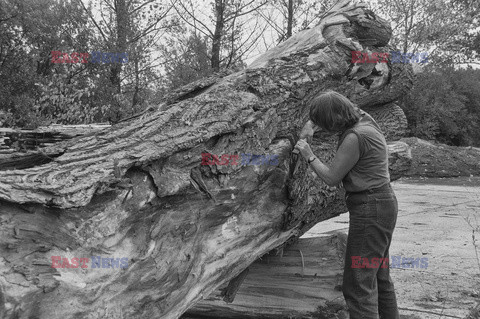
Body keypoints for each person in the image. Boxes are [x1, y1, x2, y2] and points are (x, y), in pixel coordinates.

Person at [294, 90, 400, 319]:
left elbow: (332, 178)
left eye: (325, 124)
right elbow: (337, 106)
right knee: (380, 278)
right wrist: (310, 125)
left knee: (357, 285)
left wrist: (309, 155)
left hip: (370, 208)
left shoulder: (355, 138)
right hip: (384, 204)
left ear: (334, 120)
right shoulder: (365, 120)